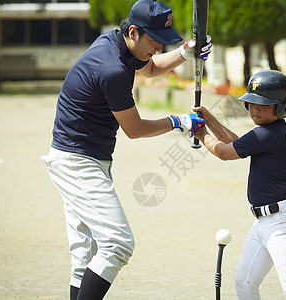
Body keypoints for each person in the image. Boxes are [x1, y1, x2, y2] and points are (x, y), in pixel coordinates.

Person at [41, 0, 211, 299]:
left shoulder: (115, 41)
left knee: (86, 255)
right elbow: (135, 130)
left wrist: (186, 52)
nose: (158, 49)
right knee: (118, 243)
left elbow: (149, 69)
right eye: (155, 41)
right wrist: (179, 121)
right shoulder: (112, 69)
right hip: (77, 163)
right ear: (133, 31)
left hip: (81, 158)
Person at [193, 70, 286, 299]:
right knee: (244, 282)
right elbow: (236, 142)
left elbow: (225, 153)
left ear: (281, 107)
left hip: (284, 223)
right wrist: (208, 118)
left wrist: (202, 134)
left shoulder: (270, 134)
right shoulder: (266, 133)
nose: (255, 109)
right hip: (263, 223)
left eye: (263, 105)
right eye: (251, 103)